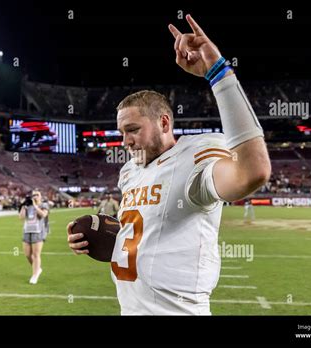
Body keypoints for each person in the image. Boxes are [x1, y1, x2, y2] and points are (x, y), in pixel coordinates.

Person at [67, 14, 271, 315]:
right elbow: (147, 230)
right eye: (122, 133)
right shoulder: (130, 171)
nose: (125, 142)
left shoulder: (195, 157)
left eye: (133, 130)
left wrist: (218, 73)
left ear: (164, 122)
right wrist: (106, 237)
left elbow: (253, 171)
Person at [19, 190, 49, 284]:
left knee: (36, 254)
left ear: (40, 196)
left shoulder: (44, 205)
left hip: (38, 231)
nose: (35, 196)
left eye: (37, 195)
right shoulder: (28, 205)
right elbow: (21, 217)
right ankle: (37, 269)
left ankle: (35, 275)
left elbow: (43, 215)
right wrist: (24, 206)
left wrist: (35, 206)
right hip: (27, 230)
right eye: (33, 195)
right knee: (28, 254)